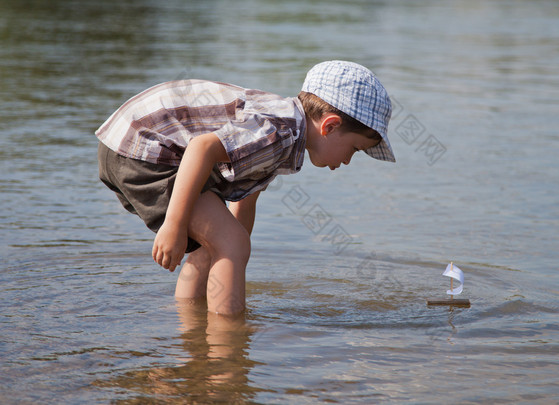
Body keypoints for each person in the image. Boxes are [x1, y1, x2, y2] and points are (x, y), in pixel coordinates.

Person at [96, 60, 395, 315]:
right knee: (230, 243)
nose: (347, 161)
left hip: (133, 142)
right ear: (329, 126)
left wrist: (233, 250)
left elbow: (246, 198)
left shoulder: (286, 129)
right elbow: (201, 148)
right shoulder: (279, 132)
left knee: (219, 245)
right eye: (354, 149)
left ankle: (189, 324)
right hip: (144, 149)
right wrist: (174, 225)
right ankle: (228, 347)